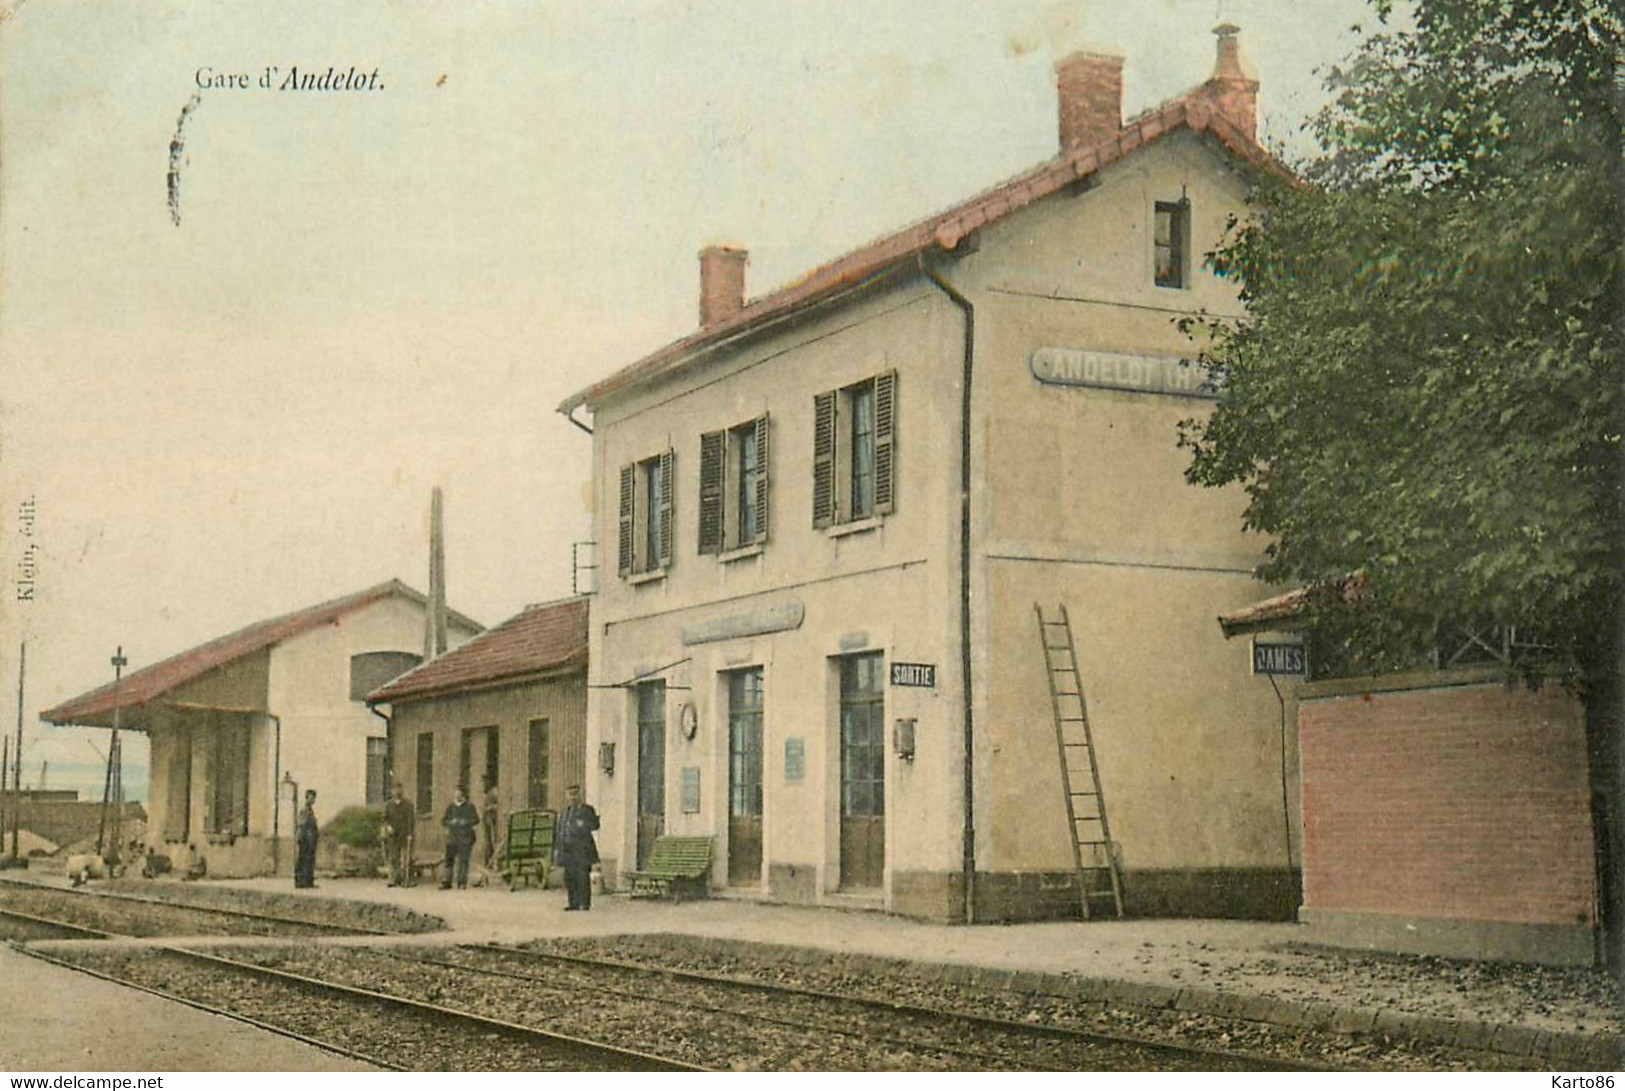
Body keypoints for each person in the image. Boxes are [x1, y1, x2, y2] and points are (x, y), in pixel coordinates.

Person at [554, 784, 599, 911]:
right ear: (566, 796)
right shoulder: (565, 812)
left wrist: (583, 824)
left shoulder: (587, 810)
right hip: (568, 849)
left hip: (582, 849)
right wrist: (558, 849)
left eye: (575, 794)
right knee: (570, 877)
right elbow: (560, 830)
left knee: (582, 876)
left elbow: (595, 825)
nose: (573, 797)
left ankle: (584, 903)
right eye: (570, 794)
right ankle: (573, 902)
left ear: (580, 795)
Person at [440, 785, 479, 889]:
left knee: (463, 860)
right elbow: (443, 820)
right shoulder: (451, 807)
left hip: (465, 837)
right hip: (452, 838)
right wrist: (450, 822)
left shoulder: (469, 807)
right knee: (449, 859)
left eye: (459, 793)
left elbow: (476, 820)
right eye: (455, 793)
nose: (457, 795)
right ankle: (447, 881)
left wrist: (464, 822)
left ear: (463, 795)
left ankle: (461, 882)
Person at [382, 782, 417, 888]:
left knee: (407, 858)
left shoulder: (408, 805)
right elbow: (385, 819)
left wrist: (410, 833)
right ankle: (395, 879)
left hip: (405, 834)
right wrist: (388, 827)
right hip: (393, 835)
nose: (397, 791)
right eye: (395, 789)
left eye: (399, 789)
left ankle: (408, 879)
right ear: (392, 791)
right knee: (394, 857)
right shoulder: (388, 805)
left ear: (402, 791)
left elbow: (411, 820)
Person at [294, 789, 319, 889]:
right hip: (306, 839)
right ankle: (301, 882)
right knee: (304, 860)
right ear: (307, 798)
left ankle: (308, 882)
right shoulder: (304, 811)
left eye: (314, 798)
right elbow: (302, 825)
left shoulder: (310, 811)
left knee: (309, 860)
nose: (313, 800)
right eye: (311, 797)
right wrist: (301, 837)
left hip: (310, 840)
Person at [481, 775, 501, 872]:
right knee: (487, 841)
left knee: (493, 841)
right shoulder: (487, 793)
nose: (484, 785)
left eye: (485, 782)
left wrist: (489, 808)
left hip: (492, 820)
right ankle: (488, 863)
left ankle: (494, 863)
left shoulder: (494, 792)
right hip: (487, 820)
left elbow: (498, 805)